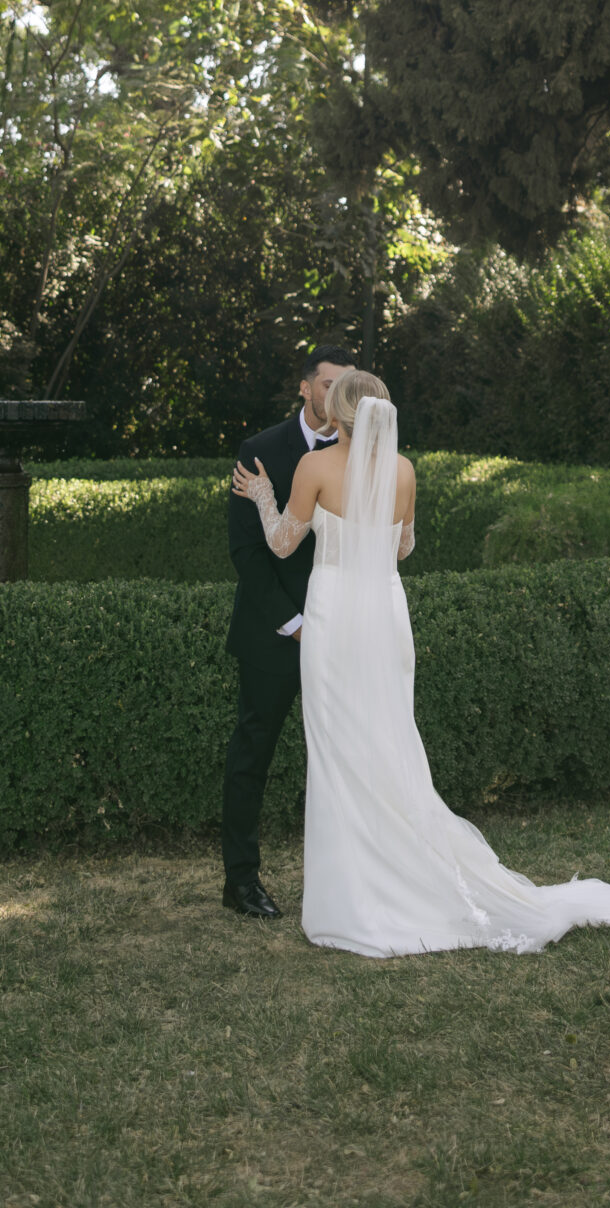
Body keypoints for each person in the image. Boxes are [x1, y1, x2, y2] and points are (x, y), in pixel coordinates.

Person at [232, 370, 610, 956]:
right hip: (383, 616)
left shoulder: (314, 468)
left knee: (341, 750)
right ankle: (399, 875)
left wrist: (262, 497)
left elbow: (280, 544)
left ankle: (359, 894)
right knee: (389, 742)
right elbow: (403, 547)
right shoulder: (402, 471)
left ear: (342, 413)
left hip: (336, 618)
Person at [220, 348, 351, 917]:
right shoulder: (260, 451)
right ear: (304, 389)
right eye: (329, 385)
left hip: (343, 631)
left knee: (345, 756)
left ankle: (348, 877)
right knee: (254, 753)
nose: (339, 396)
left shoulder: (367, 455)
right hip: (276, 632)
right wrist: (296, 624)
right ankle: (240, 882)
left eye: (348, 386)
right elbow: (248, 553)